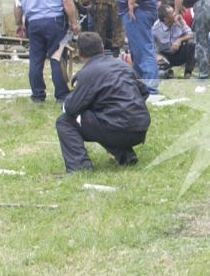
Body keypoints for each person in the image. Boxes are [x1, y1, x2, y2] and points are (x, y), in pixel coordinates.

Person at [57, 30, 150, 172]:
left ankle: (79, 167)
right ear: (102, 47)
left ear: (80, 53)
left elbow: (71, 109)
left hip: (116, 127)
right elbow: (144, 92)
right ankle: (125, 155)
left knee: (64, 121)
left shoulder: (86, 74)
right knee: (102, 118)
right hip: (140, 127)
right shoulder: (123, 66)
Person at [15, 0, 79, 103]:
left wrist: (19, 24)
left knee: (35, 58)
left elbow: (17, 4)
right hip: (54, 22)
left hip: (33, 22)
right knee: (57, 57)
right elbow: (67, 2)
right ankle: (61, 94)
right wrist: (74, 22)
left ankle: (37, 94)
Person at [153, 3, 197, 77]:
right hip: (165, 55)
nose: (175, 14)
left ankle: (188, 73)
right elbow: (151, 48)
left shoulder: (179, 20)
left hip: (179, 51)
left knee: (192, 43)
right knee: (161, 73)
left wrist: (179, 40)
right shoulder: (155, 29)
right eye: (172, 13)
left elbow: (191, 34)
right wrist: (157, 56)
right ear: (165, 19)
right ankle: (167, 72)